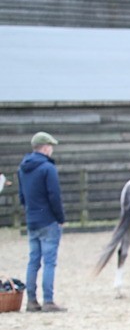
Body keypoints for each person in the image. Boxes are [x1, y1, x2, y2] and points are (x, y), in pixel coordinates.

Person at [18, 132, 67, 313]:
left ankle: (31, 300)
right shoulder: (48, 168)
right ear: (46, 147)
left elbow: (22, 197)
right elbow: (54, 196)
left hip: (32, 220)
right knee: (49, 262)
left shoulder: (22, 168)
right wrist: (60, 218)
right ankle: (48, 300)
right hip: (48, 221)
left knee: (33, 261)